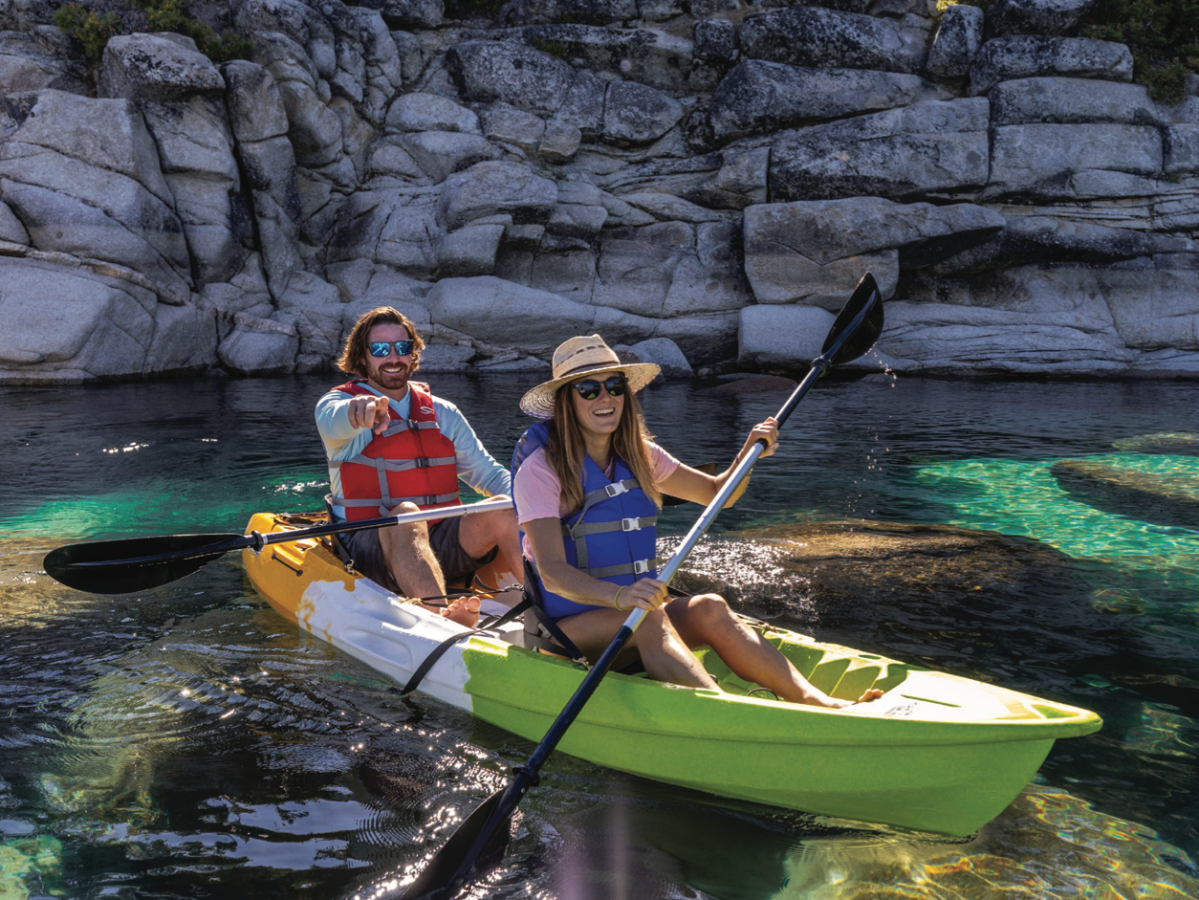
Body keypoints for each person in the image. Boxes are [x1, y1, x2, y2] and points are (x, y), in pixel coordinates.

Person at [511, 334, 882, 708]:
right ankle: (723, 712)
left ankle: (818, 702)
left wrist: (748, 455)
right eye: (589, 389)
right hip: (569, 637)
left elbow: (719, 494)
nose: (605, 398)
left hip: (635, 620)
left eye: (614, 386)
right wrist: (620, 596)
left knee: (710, 607)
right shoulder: (541, 471)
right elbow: (553, 573)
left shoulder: (641, 455)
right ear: (566, 402)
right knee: (647, 618)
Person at [316, 306, 522, 627]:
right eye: (380, 349)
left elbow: (490, 474)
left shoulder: (443, 412)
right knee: (407, 515)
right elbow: (335, 421)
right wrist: (358, 411)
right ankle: (440, 621)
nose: (393, 357)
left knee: (504, 507)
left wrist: (534, 502)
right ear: (363, 357)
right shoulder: (337, 406)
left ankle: (555, 608)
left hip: (441, 544)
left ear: (413, 353)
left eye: (403, 347)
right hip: (372, 551)